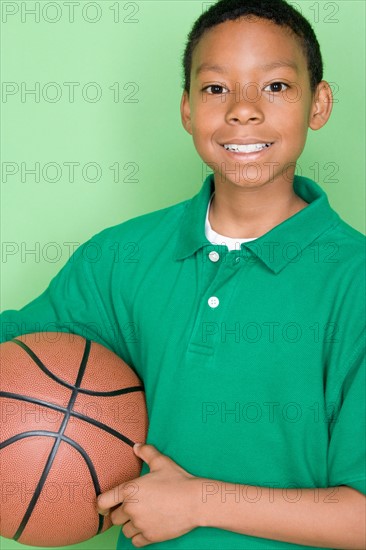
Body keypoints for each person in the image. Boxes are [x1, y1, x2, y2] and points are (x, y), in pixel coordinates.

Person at [1, 0, 365, 548]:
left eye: (276, 86)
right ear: (187, 110)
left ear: (319, 103)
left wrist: (199, 501)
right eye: (216, 89)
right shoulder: (122, 257)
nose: (243, 110)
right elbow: (22, 361)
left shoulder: (354, 283)